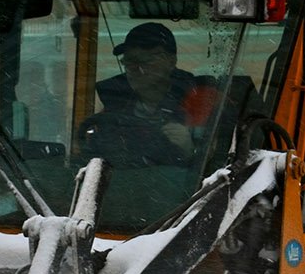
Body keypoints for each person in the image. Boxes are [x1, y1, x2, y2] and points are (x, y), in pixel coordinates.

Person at [80, 22, 217, 167]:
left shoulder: (203, 101)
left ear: (171, 62)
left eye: (147, 60)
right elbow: (93, 162)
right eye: (130, 62)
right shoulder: (114, 107)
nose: (138, 69)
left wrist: (191, 150)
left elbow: (223, 168)